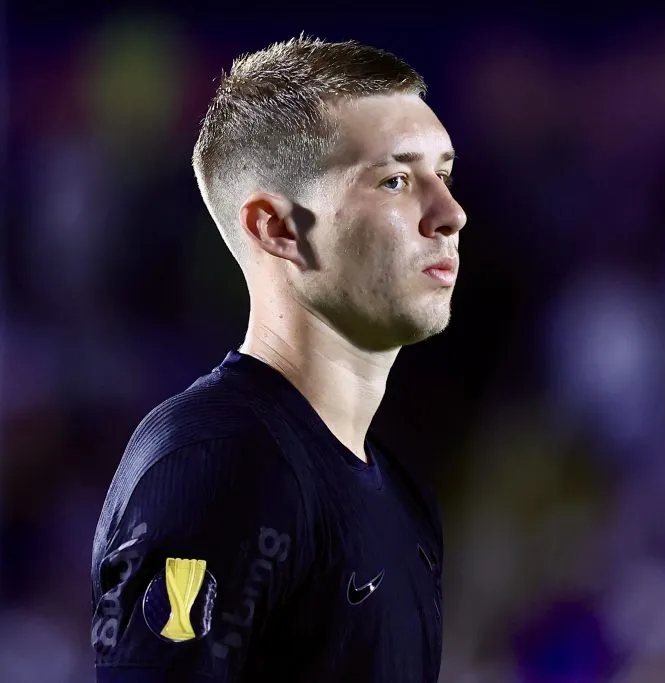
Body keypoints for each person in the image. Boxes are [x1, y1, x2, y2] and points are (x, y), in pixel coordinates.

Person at [90, 35, 466, 683]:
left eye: (445, 175)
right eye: (396, 180)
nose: (450, 214)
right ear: (277, 228)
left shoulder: (401, 491)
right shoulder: (218, 460)